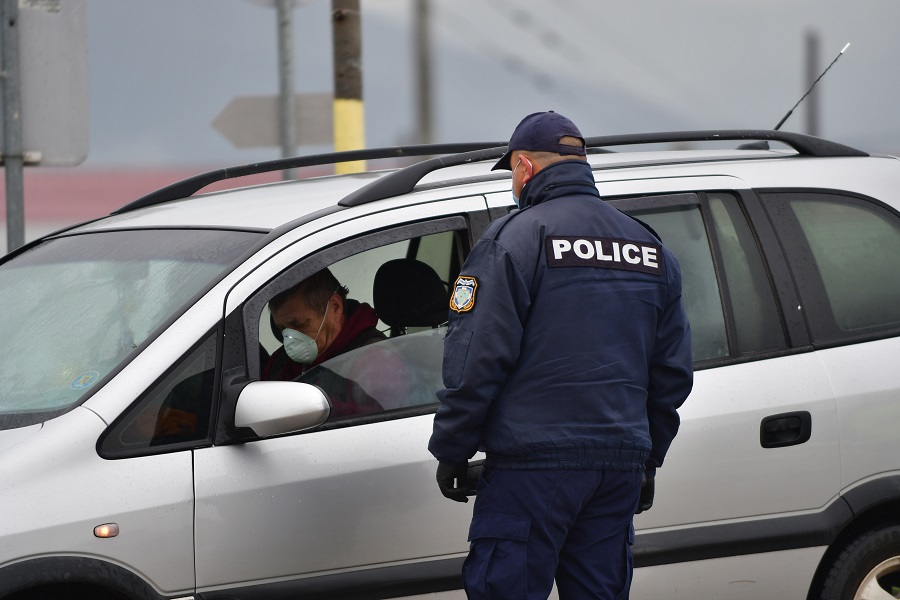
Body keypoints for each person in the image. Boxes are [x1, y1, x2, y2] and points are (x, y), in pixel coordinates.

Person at [428, 111, 693, 600]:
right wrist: (647, 459)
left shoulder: (514, 240)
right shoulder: (651, 248)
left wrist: (452, 447)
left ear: (524, 167)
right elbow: (671, 372)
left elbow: (475, 360)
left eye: (511, 172)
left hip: (532, 470)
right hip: (617, 468)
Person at [263, 268, 387, 416]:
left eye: (300, 324)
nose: (290, 338)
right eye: (282, 328)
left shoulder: (375, 363)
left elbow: (384, 428)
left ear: (335, 307)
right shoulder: (279, 362)